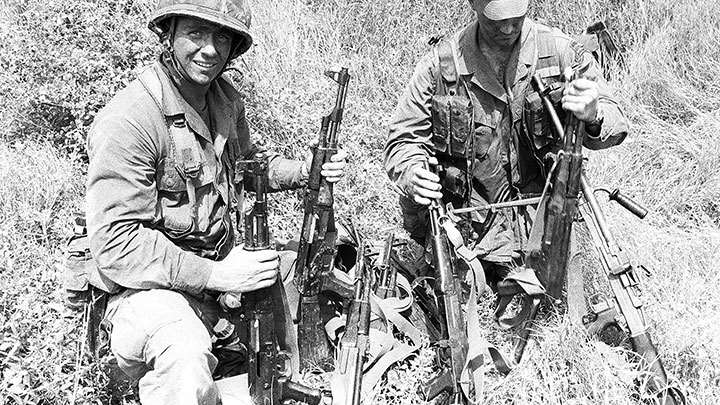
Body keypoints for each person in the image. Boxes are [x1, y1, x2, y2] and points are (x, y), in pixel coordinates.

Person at [85, 0, 347, 403]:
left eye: (222, 37)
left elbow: (248, 164)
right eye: (195, 34)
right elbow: (117, 245)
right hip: (146, 291)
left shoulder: (223, 100)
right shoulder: (129, 120)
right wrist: (217, 276)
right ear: (168, 35)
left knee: (323, 265)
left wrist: (305, 169)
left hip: (219, 275)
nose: (209, 49)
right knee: (185, 355)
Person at [384, 0, 629, 286]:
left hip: (546, 226)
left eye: (517, 16)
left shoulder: (560, 51)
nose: (510, 27)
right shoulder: (441, 66)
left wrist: (594, 114)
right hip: (468, 233)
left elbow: (617, 123)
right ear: (474, 5)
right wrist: (412, 172)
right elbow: (403, 139)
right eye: (497, 20)